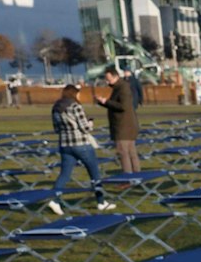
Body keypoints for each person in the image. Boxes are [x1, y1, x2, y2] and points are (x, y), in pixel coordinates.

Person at [46, 83, 112, 215]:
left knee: (64, 174)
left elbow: (56, 129)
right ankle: (101, 202)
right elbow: (85, 128)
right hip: (81, 144)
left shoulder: (56, 108)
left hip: (65, 145)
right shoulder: (75, 106)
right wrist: (90, 124)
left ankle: (55, 200)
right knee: (95, 174)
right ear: (74, 94)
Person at [93, 66, 141, 174]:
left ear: (116, 77)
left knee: (123, 153)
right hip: (127, 125)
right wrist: (102, 102)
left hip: (123, 126)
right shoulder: (120, 87)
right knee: (131, 152)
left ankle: (128, 178)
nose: (107, 82)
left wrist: (106, 102)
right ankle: (137, 175)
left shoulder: (122, 88)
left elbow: (123, 106)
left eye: (109, 79)